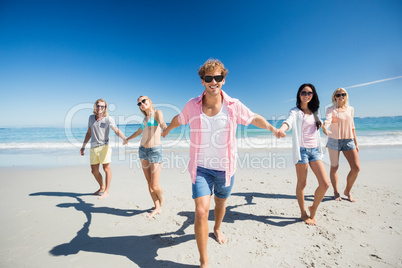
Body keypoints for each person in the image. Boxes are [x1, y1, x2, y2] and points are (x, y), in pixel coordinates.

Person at [162, 59, 279, 267]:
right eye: (209, 78)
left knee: (220, 203)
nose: (213, 81)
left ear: (223, 80)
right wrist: (167, 130)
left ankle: (217, 228)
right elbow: (178, 119)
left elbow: (253, 118)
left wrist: (272, 129)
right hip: (201, 168)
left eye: (218, 77)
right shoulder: (192, 105)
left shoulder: (233, 105)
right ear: (202, 81)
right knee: (200, 211)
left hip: (226, 169)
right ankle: (204, 261)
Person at [277, 83, 330, 225]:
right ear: (299, 95)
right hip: (302, 151)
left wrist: (325, 129)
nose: (306, 95)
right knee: (302, 183)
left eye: (309, 93)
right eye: (303, 93)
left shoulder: (315, 112)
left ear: (313, 95)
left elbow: (320, 123)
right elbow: (288, 122)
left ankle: (313, 207)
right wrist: (282, 129)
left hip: (315, 151)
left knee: (325, 184)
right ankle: (303, 213)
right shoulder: (295, 111)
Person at [124, 96, 167, 218]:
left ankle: (161, 197)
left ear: (149, 101)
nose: (142, 104)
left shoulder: (157, 113)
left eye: (144, 101)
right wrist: (127, 139)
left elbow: (162, 123)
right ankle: (157, 206)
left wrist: (165, 129)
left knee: (155, 185)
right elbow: (139, 132)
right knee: (149, 182)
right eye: (139, 103)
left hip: (155, 151)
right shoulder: (145, 118)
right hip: (143, 150)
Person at [80, 98, 127, 199]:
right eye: (98, 106)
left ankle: (107, 191)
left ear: (105, 108)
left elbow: (116, 130)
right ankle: (101, 187)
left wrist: (124, 138)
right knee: (94, 171)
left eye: (102, 106)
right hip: (93, 147)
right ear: (95, 107)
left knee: (106, 169)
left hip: (104, 147)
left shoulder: (108, 119)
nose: (100, 108)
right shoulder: (91, 118)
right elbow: (89, 133)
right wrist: (83, 146)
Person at [322, 88, 360, 202]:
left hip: (348, 141)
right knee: (334, 167)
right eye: (338, 95)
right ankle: (336, 191)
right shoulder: (330, 109)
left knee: (356, 168)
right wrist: (325, 127)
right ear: (335, 97)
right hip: (334, 140)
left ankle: (347, 191)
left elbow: (352, 126)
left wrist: (356, 143)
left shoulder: (351, 109)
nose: (340, 96)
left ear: (346, 96)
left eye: (343, 94)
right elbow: (327, 120)